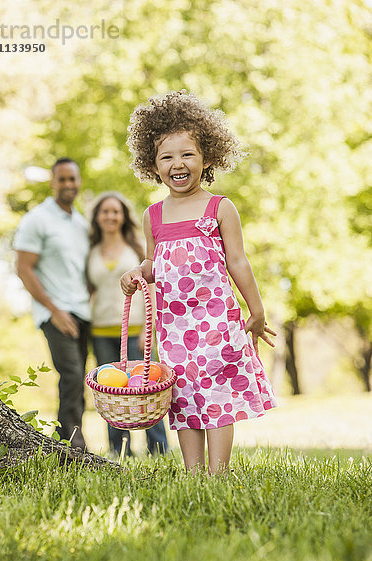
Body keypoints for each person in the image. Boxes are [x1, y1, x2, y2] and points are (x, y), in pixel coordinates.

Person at [121, 90, 277, 474]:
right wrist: (137, 272)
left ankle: (218, 472)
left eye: (187, 154)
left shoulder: (220, 207)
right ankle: (193, 473)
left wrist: (256, 311)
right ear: (152, 165)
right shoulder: (152, 215)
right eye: (167, 156)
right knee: (183, 396)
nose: (178, 163)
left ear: (207, 157)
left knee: (219, 392)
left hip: (218, 320)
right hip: (174, 326)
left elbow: (238, 261)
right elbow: (155, 266)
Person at [14, 158, 90, 449]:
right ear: (52, 182)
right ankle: (72, 443)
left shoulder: (80, 222)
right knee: (71, 374)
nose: (69, 185)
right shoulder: (37, 219)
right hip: (55, 312)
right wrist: (55, 311)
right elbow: (23, 268)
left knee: (80, 377)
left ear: (79, 181)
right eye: (63, 179)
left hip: (83, 311)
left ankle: (73, 437)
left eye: (73, 179)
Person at [87, 191, 169, 456]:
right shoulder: (91, 251)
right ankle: (119, 450)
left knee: (146, 390)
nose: (110, 216)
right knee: (111, 392)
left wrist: (150, 329)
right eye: (105, 211)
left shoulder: (136, 248)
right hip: (100, 330)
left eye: (115, 211)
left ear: (123, 216)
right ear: (98, 217)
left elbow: (152, 288)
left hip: (136, 329)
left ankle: (159, 449)